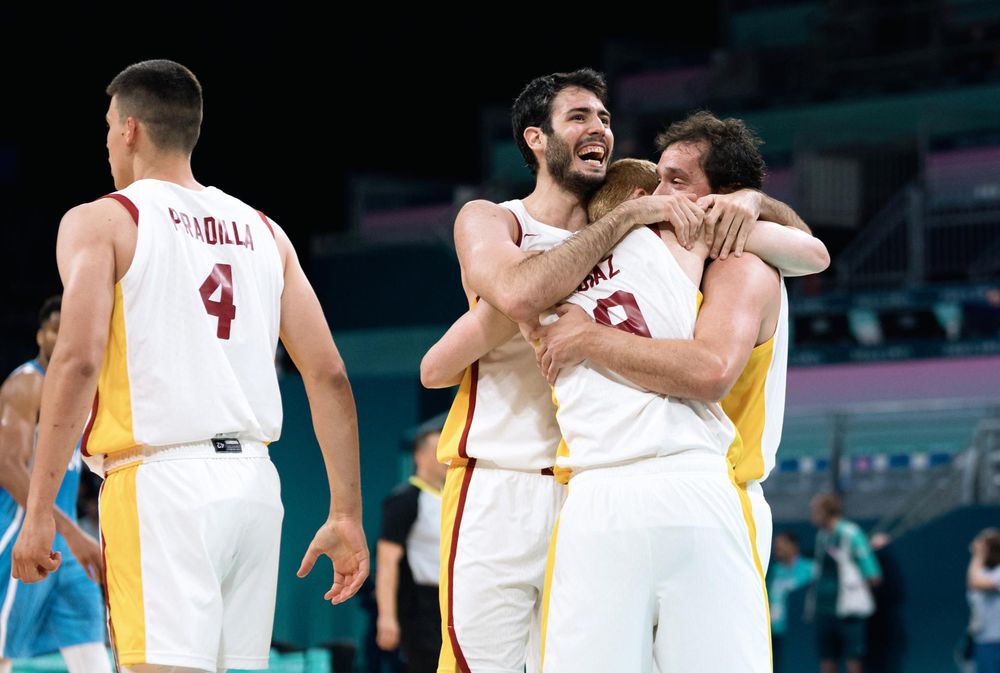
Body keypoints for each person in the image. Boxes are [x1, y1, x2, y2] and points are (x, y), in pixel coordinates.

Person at [421, 70, 807, 673]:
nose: (598, 126)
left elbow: (806, 248)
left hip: (592, 481)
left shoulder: (651, 237)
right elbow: (473, 334)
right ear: (535, 139)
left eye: (604, 117)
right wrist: (627, 225)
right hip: (504, 479)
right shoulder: (502, 224)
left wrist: (753, 200)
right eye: (579, 116)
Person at [11, 59, 367, 673]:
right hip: (255, 486)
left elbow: (76, 360)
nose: (106, 142)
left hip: (161, 484)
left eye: (107, 127)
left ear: (129, 129)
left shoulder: (103, 220)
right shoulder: (266, 231)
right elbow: (328, 373)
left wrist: (40, 511)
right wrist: (345, 513)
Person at [532, 113, 830, 574]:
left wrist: (588, 337)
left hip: (721, 489)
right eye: (658, 181)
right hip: (641, 488)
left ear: (721, 197)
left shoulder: (737, 260)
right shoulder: (653, 254)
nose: (659, 195)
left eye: (675, 181)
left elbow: (815, 254)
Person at [0, 296, 110, 673]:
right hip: (19, 534)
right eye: (54, 329)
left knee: (91, 649)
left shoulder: (81, 391)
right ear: (40, 336)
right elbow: (7, 467)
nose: (62, 336)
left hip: (63, 542)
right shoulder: (27, 384)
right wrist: (75, 533)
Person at [377, 423, 448, 673]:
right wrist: (387, 616)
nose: (444, 458)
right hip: (419, 607)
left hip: (450, 602)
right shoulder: (404, 500)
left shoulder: (453, 499)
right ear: (419, 455)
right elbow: (387, 561)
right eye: (437, 451)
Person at [809, 493, 882, 673]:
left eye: (815, 511)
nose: (811, 515)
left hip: (849, 612)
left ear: (826, 512)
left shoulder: (851, 534)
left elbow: (873, 575)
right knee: (827, 660)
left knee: (853, 659)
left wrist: (854, 591)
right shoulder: (821, 536)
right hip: (823, 610)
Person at [768, 531, 816, 673]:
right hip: (775, 630)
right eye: (776, 546)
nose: (777, 549)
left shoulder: (810, 568)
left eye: (781, 545)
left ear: (794, 546)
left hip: (800, 630)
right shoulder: (775, 571)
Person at [967, 527, 1000, 673]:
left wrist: (977, 556)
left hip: (996, 640)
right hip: (982, 640)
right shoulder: (983, 571)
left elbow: (975, 583)